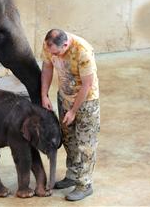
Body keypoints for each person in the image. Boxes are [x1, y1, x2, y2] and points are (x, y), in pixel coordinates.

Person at [40, 29, 100, 201]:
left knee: (86, 144)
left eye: (56, 53)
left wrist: (74, 111)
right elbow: (47, 68)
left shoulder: (83, 51)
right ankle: (73, 175)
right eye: (51, 52)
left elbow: (87, 85)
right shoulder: (49, 45)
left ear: (65, 45)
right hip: (64, 97)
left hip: (86, 102)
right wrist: (44, 95)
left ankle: (85, 184)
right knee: (68, 139)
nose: (53, 55)